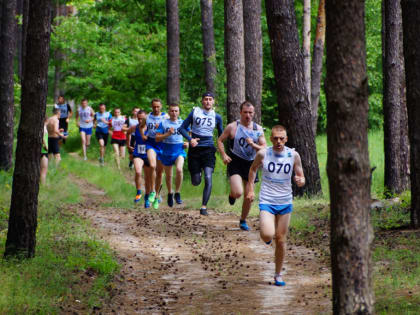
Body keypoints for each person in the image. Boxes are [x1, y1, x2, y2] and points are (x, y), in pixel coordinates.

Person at [246, 125, 305, 287]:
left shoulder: (293, 155)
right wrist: (251, 189)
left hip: (285, 201)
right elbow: (252, 170)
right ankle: (266, 236)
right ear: (271, 139)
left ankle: (278, 274)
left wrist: (301, 181)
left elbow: (300, 175)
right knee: (267, 235)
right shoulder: (263, 153)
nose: (279, 141)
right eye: (275, 138)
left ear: (286, 139)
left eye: (282, 138)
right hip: (267, 199)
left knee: (280, 240)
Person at [217, 101, 266, 230]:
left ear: (254, 113)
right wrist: (223, 155)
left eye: (250, 113)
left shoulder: (258, 129)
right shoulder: (233, 127)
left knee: (249, 196)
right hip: (236, 161)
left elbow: (264, 148)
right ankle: (232, 195)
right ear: (240, 113)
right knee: (238, 192)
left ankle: (243, 220)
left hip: (251, 164)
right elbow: (220, 140)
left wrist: (253, 145)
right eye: (245, 112)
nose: (248, 115)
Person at [179, 92, 223, 216]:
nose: (208, 101)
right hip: (195, 150)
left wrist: (222, 149)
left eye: (210, 99)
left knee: (208, 177)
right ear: (202, 101)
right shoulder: (195, 113)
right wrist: (190, 139)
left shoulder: (217, 117)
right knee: (196, 181)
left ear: (213, 101)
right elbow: (181, 128)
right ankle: (197, 173)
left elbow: (221, 135)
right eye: (206, 99)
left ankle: (203, 207)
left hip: (208, 149)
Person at [155, 104, 189, 207]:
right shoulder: (163, 123)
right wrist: (167, 134)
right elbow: (157, 138)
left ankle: (177, 193)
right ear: (169, 112)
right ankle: (170, 193)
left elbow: (189, 134)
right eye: (172, 111)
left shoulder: (182, 123)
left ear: (179, 112)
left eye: (176, 111)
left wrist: (187, 142)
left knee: (179, 169)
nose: (174, 113)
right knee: (169, 175)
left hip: (179, 150)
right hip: (167, 151)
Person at [144, 99, 168, 209]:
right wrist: (143, 134)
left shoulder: (166, 117)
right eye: (154, 107)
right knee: (152, 165)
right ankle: (152, 191)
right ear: (151, 107)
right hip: (151, 143)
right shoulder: (147, 117)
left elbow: (172, 127)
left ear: (161, 106)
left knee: (159, 173)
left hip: (162, 145)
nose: (156, 109)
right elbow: (141, 126)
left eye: (158, 107)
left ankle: (157, 195)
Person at [127, 110, 153, 206]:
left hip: (148, 155)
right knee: (138, 171)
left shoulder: (151, 128)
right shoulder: (135, 127)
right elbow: (128, 133)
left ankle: (147, 198)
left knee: (147, 178)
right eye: (138, 118)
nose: (140, 120)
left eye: (142, 118)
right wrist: (128, 145)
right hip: (138, 153)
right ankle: (138, 192)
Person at [40, 117, 49, 184]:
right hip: (44, 150)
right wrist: (46, 146)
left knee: (41, 169)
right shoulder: (43, 127)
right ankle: (43, 184)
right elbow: (42, 137)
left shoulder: (41, 127)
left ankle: (41, 183)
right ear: (46, 120)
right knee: (44, 169)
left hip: (41, 150)